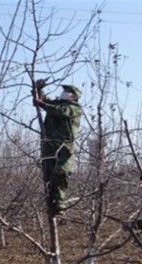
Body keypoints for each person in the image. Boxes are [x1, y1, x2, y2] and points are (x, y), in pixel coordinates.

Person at [34, 79, 83, 215]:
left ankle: (59, 201)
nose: (64, 93)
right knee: (48, 173)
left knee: (62, 172)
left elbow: (62, 111)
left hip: (64, 144)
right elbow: (41, 100)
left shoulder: (75, 107)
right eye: (64, 91)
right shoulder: (56, 104)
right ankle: (51, 204)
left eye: (68, 92)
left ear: (74, 96)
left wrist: (43, 105)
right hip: (49, 143)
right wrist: (38, 89)